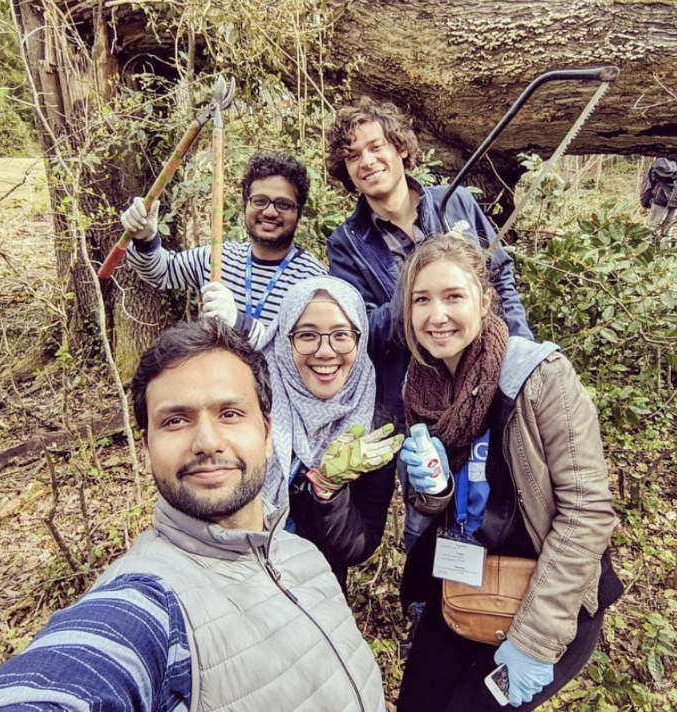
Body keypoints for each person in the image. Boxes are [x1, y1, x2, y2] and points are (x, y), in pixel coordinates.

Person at [0, 320, 386, 712]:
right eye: (176, 420)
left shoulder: (303, 556)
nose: (206, 441)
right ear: (146, 446)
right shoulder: (150, 600)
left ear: (269, 432)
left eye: (230, 413)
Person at [394, 234, 623, 711]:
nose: (436, 315)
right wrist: (431, 492)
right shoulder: (421, 386)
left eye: (453, 296)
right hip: (464, 585)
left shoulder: (541, 377)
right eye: (421, 299)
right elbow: (443, 509)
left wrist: (535, 641)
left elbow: (588, 512)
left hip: (544, 602)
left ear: (485, 299)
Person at [324, 98, 532, 426]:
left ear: (401, 149)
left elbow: (500, 276)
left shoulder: (455, 202)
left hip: (485, 374)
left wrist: (521, 349)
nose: (367, 161)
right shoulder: (346, 243)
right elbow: (360, 334)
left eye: (376, 146)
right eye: (352, 156)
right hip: (415, 404)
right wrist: (416, 292)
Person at [259, 276, 403, 589]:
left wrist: (329, 492)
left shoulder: (372, 424)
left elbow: (357, 546)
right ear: (285, 339)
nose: (325, 351)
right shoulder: (250, 403)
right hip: (238, 583)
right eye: (307, 335)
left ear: (360, 339)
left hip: (317, 593)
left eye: (341, 335)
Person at [121, 152, 326, 345]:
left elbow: (306, 355)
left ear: (298, 214)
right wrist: (145, 238)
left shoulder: (313, 280)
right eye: (260, 201)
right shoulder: (221, 257)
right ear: (245, 205)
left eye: (283, 204)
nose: (270, 212)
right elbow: (161, 272)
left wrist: (241, 324)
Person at [639, 156, 677, 245]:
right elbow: (667, 173)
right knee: (653, 224)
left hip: (675, 200)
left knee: (668, 224)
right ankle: (648, 246)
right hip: (661, 197)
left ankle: (665, 247)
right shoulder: (661, 159)